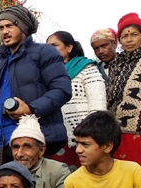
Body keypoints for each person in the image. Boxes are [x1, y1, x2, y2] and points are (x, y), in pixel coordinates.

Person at [0, 5, 72, 176]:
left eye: (10, 26)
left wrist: (30, 108)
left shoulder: (44, 52)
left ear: (23, 27)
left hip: (32, 137)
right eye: (1, 27)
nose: (4, 32)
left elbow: (62, 90)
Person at [45, 31, 107, 170]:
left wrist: (93, 133)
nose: (50, 49)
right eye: (47, 46)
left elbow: (98, 102)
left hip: (84, 136)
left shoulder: (86, 67)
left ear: (69, 48)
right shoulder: (44, 73)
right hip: (54, 137)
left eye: (55, 45)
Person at [107, 13, 141, 165]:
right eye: (124, 36)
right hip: (116, 131)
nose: (129, 40)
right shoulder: (116, 63)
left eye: (134, 34)